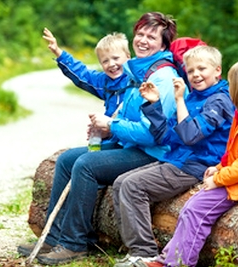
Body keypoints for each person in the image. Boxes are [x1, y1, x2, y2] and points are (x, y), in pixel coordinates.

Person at [17, 11, 181, 265]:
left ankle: (74, 243)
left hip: (155, 153)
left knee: (86, 165)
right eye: (140, 34)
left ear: (163, 44)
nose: (143, 40)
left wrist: (112, 125)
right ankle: (53, 236)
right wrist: (107, 129)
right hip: (131, 144)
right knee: (68, 159)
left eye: (151, 36)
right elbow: (118, 106)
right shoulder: (138, 70)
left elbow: (151, 134)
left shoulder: (163, 77)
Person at [144, 58, 238, 267]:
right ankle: (168, 259)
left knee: (196, 210)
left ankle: (179, 263)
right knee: (190, 207)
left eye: (233, 83)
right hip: (237, 176)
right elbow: (236, 154)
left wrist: (219, 179)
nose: (229, 88)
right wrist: (219, 168)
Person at [112, 45, 235, 267]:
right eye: (190, 71)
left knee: (132, 186)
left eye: (201, 69)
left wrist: (179, 100)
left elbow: (191, 136)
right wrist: (154, 104)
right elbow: (165, 136)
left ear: (218, 70)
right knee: (121, 182)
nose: (195, 75)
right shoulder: (194, 98)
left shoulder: (219, 100)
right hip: (177, 158)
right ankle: (133, 248)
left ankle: (144, 253)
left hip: (197, 165)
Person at [43, 27, 131, 118]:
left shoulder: (137, 79)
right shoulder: (103, 81)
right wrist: (58, 52)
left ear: (128, 57)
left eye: (116, 58)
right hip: (112, 129)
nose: (111, 64)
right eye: (105, 61)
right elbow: (83, 74)